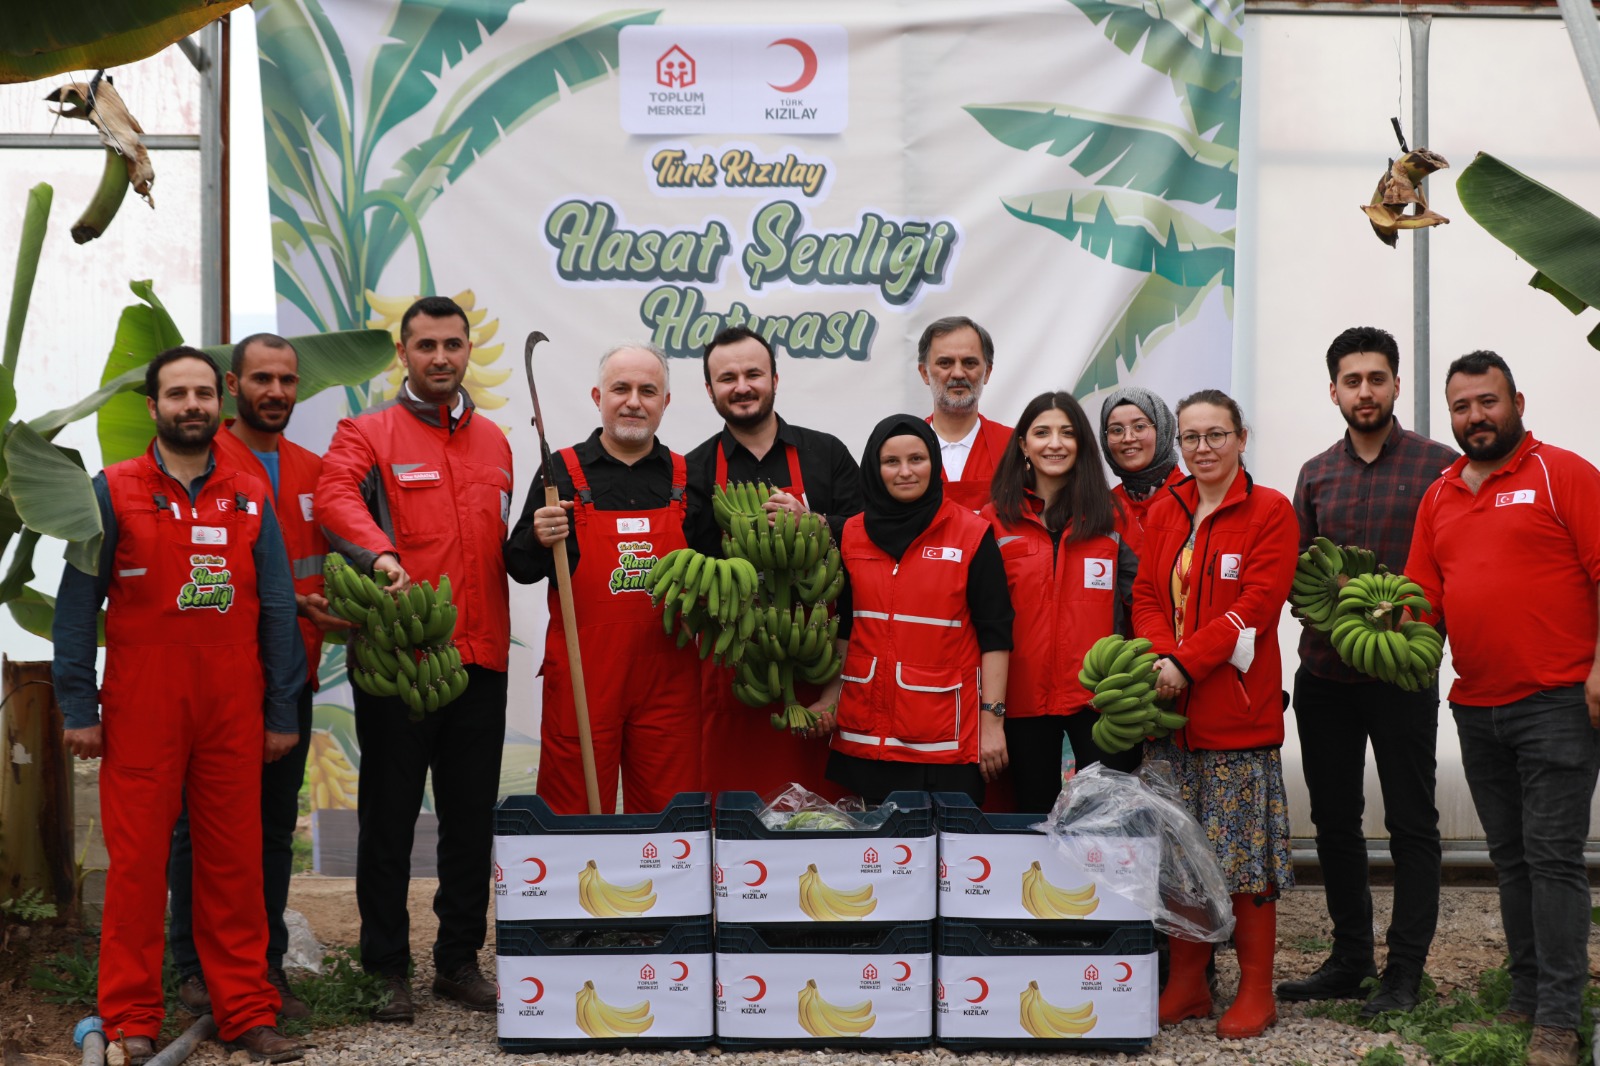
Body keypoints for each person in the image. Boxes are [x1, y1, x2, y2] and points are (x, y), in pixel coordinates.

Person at [53, 347, 307, 1064]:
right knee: (136, 870)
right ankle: (132, 1017)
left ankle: (248, 1013)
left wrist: (281, 710)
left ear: (217, 402)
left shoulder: (250, 492)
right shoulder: (112, 490)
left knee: (234, 865)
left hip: (232, 706)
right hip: (142, 708)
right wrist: (78, 703)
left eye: (202, 393)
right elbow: (78, 605)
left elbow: (280, 607)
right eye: (177, 394)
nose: (191, 405)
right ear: (153, 406)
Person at [316, 296, 514, 1022]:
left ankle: (459, 962)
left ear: (467, 352)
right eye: (425, 345)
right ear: (403, 353)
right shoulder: (366, 432)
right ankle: (386, 968)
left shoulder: (495, 441)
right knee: (390, 819)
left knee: (470, 820)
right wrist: (379, 555)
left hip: (480, 657)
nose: (440, 358)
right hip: (401, 658)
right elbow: (333, 496)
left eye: (452, 345)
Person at [1404, 351, 1600, 1066]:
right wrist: (1379, 631)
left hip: (1556, 698)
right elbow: (1425, 602)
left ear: (1516, 400)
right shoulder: (1440, 496)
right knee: (1512, 861)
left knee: (1552, 861)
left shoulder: (1563, 473)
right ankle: (1525, 992)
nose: (1474, 417)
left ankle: (1558, 1017)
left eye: (1486, 402)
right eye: (1461, 407)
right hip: (1476, 704)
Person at [169, 334, 353, 1022]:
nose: (275, 391)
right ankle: (192, 968)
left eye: (286, 380)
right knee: (198, 829)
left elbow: (328, 561)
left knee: (273, 829)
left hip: (291, 677)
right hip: (215, 678)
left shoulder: (313, 469)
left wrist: (342, 605)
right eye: (261, 379)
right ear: (232, 385)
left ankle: (264, 966)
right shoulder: (205, 464)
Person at [1279, 327, 1456, 1016]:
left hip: (1401, 676)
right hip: (1325, 675)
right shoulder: (1316, 473)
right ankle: (1349, 959)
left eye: (1376, 379)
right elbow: (1300, 577)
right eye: (1351, 381)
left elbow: (1448, 568)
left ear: (1395, 386)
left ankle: (1404, 971)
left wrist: (1410, 629)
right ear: (1334, 391)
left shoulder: (1439, 468)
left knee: (1413, 822)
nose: (1364, 392)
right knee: (1333, 821)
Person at [1133, 389, 1298, 1040]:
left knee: (1244, 859)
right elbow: (1147, 593)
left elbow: (1255, 605)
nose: (1203, 449)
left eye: (1216, 435)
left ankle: (1257, 989)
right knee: (1179, 853)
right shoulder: (1166, 508)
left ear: (1241, 437)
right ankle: (1187, 984)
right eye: (1192, 438)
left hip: (1234, 713)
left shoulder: (1270, 511)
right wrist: (1157, 656)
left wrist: (1187, 663)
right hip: (1166, 712)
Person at [504, 343, 701, 814]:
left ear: (665, 403)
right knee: (573, 811)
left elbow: (716, 575)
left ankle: (662, 889)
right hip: (583, 677)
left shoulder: (688, 477)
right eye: (621, 388)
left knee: (668, 815)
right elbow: (520, 566)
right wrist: (536, 534)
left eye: (647, 390)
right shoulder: (562, 474)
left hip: (668, 680)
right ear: (598, 396)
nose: (634, 401)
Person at [684, 326, 862, 797]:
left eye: (753, 374)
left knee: (825, 817)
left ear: (775, 380)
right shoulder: (694, 470)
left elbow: (869, 538)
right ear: (709, 390)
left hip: (820, 662)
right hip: (738, 670)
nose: (741, 386)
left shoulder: (826, 454)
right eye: (727, 378)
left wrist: (816, 523)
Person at [810, 415, 1014, 805]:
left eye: (917, 459)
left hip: (945, 744)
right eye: (891, 462)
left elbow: (996, 636)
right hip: (866, 742)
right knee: (875, 863)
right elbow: (848, 629)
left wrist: (992, 723)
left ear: (934, 464)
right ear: (874, 467)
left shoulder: (971, 534)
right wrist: (829, 697)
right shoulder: (852, 533)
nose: (905, 472)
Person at [981, 392, 1138, 813]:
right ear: (1022, 445)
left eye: (1067, 433)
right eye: (1042, 432)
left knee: (1107, 827)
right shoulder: (993, 520)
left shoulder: (1113, 518)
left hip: (1101, 699)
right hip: (1022, 702)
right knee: (1033, 823)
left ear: (1082, 444)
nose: (1055, 443)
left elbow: (1141, 603)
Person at [917, 316, 1013, 511]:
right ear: (925, 373)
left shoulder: (1014, 447)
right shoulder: (903, 449)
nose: (958, 373)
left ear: (987, 372)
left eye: (969, 363)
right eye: (945, 363)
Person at [1099, 386, 1182, 552]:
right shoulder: (1101, 510)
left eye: (1139, 427)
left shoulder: (1196, 500)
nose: (1128, 438)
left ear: (1162, 431)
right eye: (1116, 430)